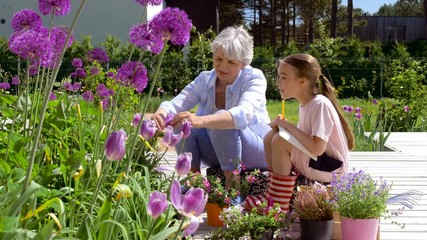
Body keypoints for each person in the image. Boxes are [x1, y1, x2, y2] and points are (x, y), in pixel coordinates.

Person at [151, 26, 270, 186]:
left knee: (220, 121)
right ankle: (194, 183)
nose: (222, 66)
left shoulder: (254, 78)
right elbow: (176, 104)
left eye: (231, 62)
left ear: (243, 63)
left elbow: (242, 114)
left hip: (256, 150)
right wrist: (161, 113)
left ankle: (233, 190)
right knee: (182, 122)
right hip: (220, 150)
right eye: (218, 59)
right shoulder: (205, 79)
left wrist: (201, 120)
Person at [243, 53, 355, 212]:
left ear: (302, 82)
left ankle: (278, 204)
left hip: (330, 168)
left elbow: (317, 148)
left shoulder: (319, 104)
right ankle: (273, 191)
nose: (278, 81)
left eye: (283, 77)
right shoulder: (307, 104)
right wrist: (283, 126)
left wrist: (287, 127)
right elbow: (304, 141)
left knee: (280, 140)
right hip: (318, 162)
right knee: (270, 137)